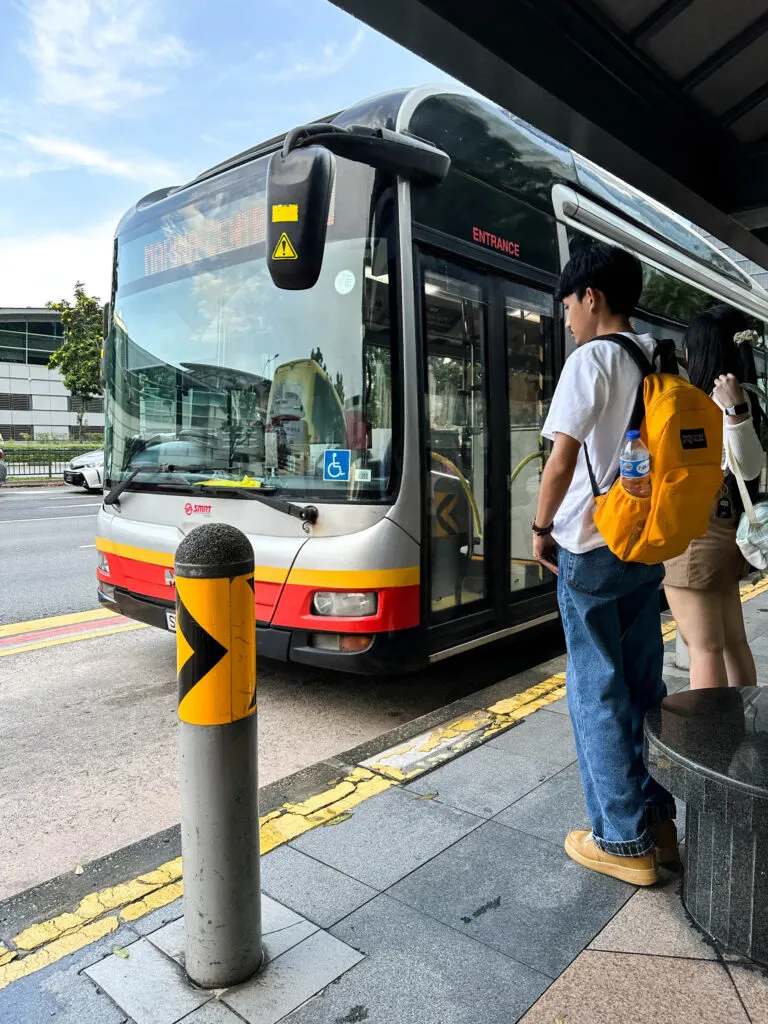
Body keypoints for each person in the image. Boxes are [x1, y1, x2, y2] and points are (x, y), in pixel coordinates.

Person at [532, 240, 676, 886]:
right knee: (645, 685)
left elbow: (561, 461)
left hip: (591, 548)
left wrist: (541, 529)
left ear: (590, 297)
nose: (567, 319)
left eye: (568, 305)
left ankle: (622, 840)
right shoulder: (654, 358)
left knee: (596, 690)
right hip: (644, 547)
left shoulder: (590, 360)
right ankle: (660, 825)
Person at [664, 305, 764, 690]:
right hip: (723, 532)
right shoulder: (743, 394)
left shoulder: (716, 401)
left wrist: (734, 412)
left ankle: (712, 729)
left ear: (700, 352)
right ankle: (745, 720)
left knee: (704, 649)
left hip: (696, 538)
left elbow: (749, 466)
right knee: (732, 643)